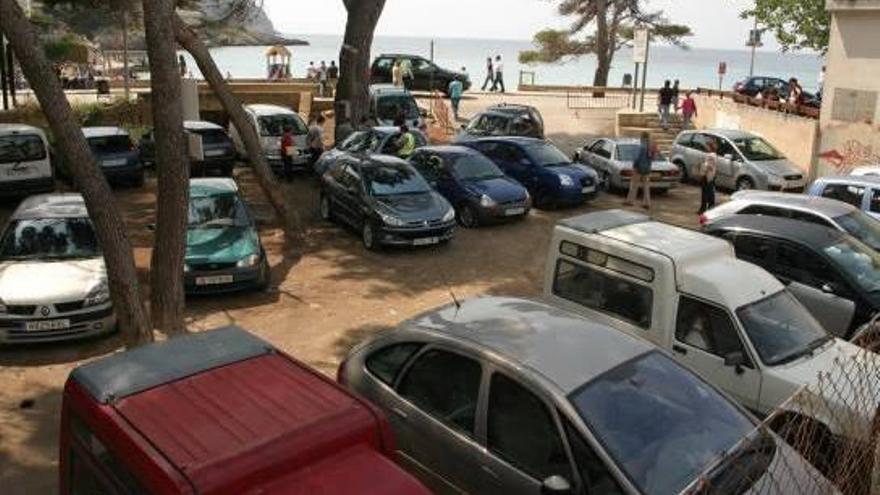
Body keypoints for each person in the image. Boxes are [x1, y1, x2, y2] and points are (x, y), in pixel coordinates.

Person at [625, 132, 653, 210]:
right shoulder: (650, 146)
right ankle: (647, 203)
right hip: (647, 168)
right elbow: (651, 158)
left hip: (638, 168)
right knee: (646, 186)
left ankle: (630, 200)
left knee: (634, 185)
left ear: (642, 137)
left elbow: (637, 158)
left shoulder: (641, 146)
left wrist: (634, 165)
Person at [698, 140, 718, 214]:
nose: (705, 147)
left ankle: (704, 208)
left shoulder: (710, 156)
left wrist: (702, 173)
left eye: (706, 145)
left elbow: (707, 166)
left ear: (709, 146)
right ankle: (709, 207)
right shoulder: (714, 155)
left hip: (707, 176)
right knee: (710, 192)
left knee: (706, 193)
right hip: (711, 175)